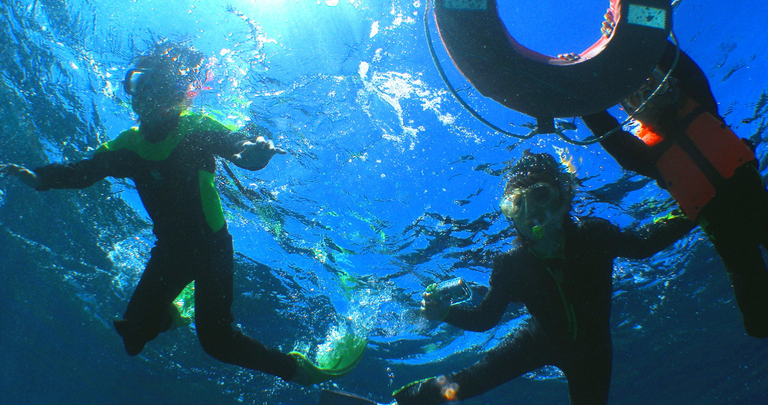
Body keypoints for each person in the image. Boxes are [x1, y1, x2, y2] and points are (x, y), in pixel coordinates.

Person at [0, 43, 335, 385]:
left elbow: (235, 145)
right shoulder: (127, 146)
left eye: (157, 88)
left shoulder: (194, 128)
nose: (146, 97)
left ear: (178, 96)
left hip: (212, 251)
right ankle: (167, 315)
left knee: (217, 343)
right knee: (133, 338)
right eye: (138, 86)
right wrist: (41, 178)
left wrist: (253, 152)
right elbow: (83, 171)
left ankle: (294, 369)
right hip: (170, 252)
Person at [393, 151, 694, 405]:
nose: (532, 213)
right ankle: (400, 403)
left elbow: (642, 246)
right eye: (517, 204)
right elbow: (485, 318)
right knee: (464, 384)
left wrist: (693, 208)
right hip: (536, 341)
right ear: (510, 214)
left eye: (540, 195)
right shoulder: (511, 263)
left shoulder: (595, 235)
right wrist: (445, 312)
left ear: (565, 197)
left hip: (591, 352)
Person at [581, 40, 768, 339]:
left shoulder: (700, 102)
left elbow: (682, 65)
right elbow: (610, 136)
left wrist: (644, 34)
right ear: (633, 115)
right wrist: (583, 95)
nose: (650, 97)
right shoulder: (646, 156)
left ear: (671, 83)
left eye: (653, 85)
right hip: (731, 242)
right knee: (760, 318)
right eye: (638, 99)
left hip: (759, 211)